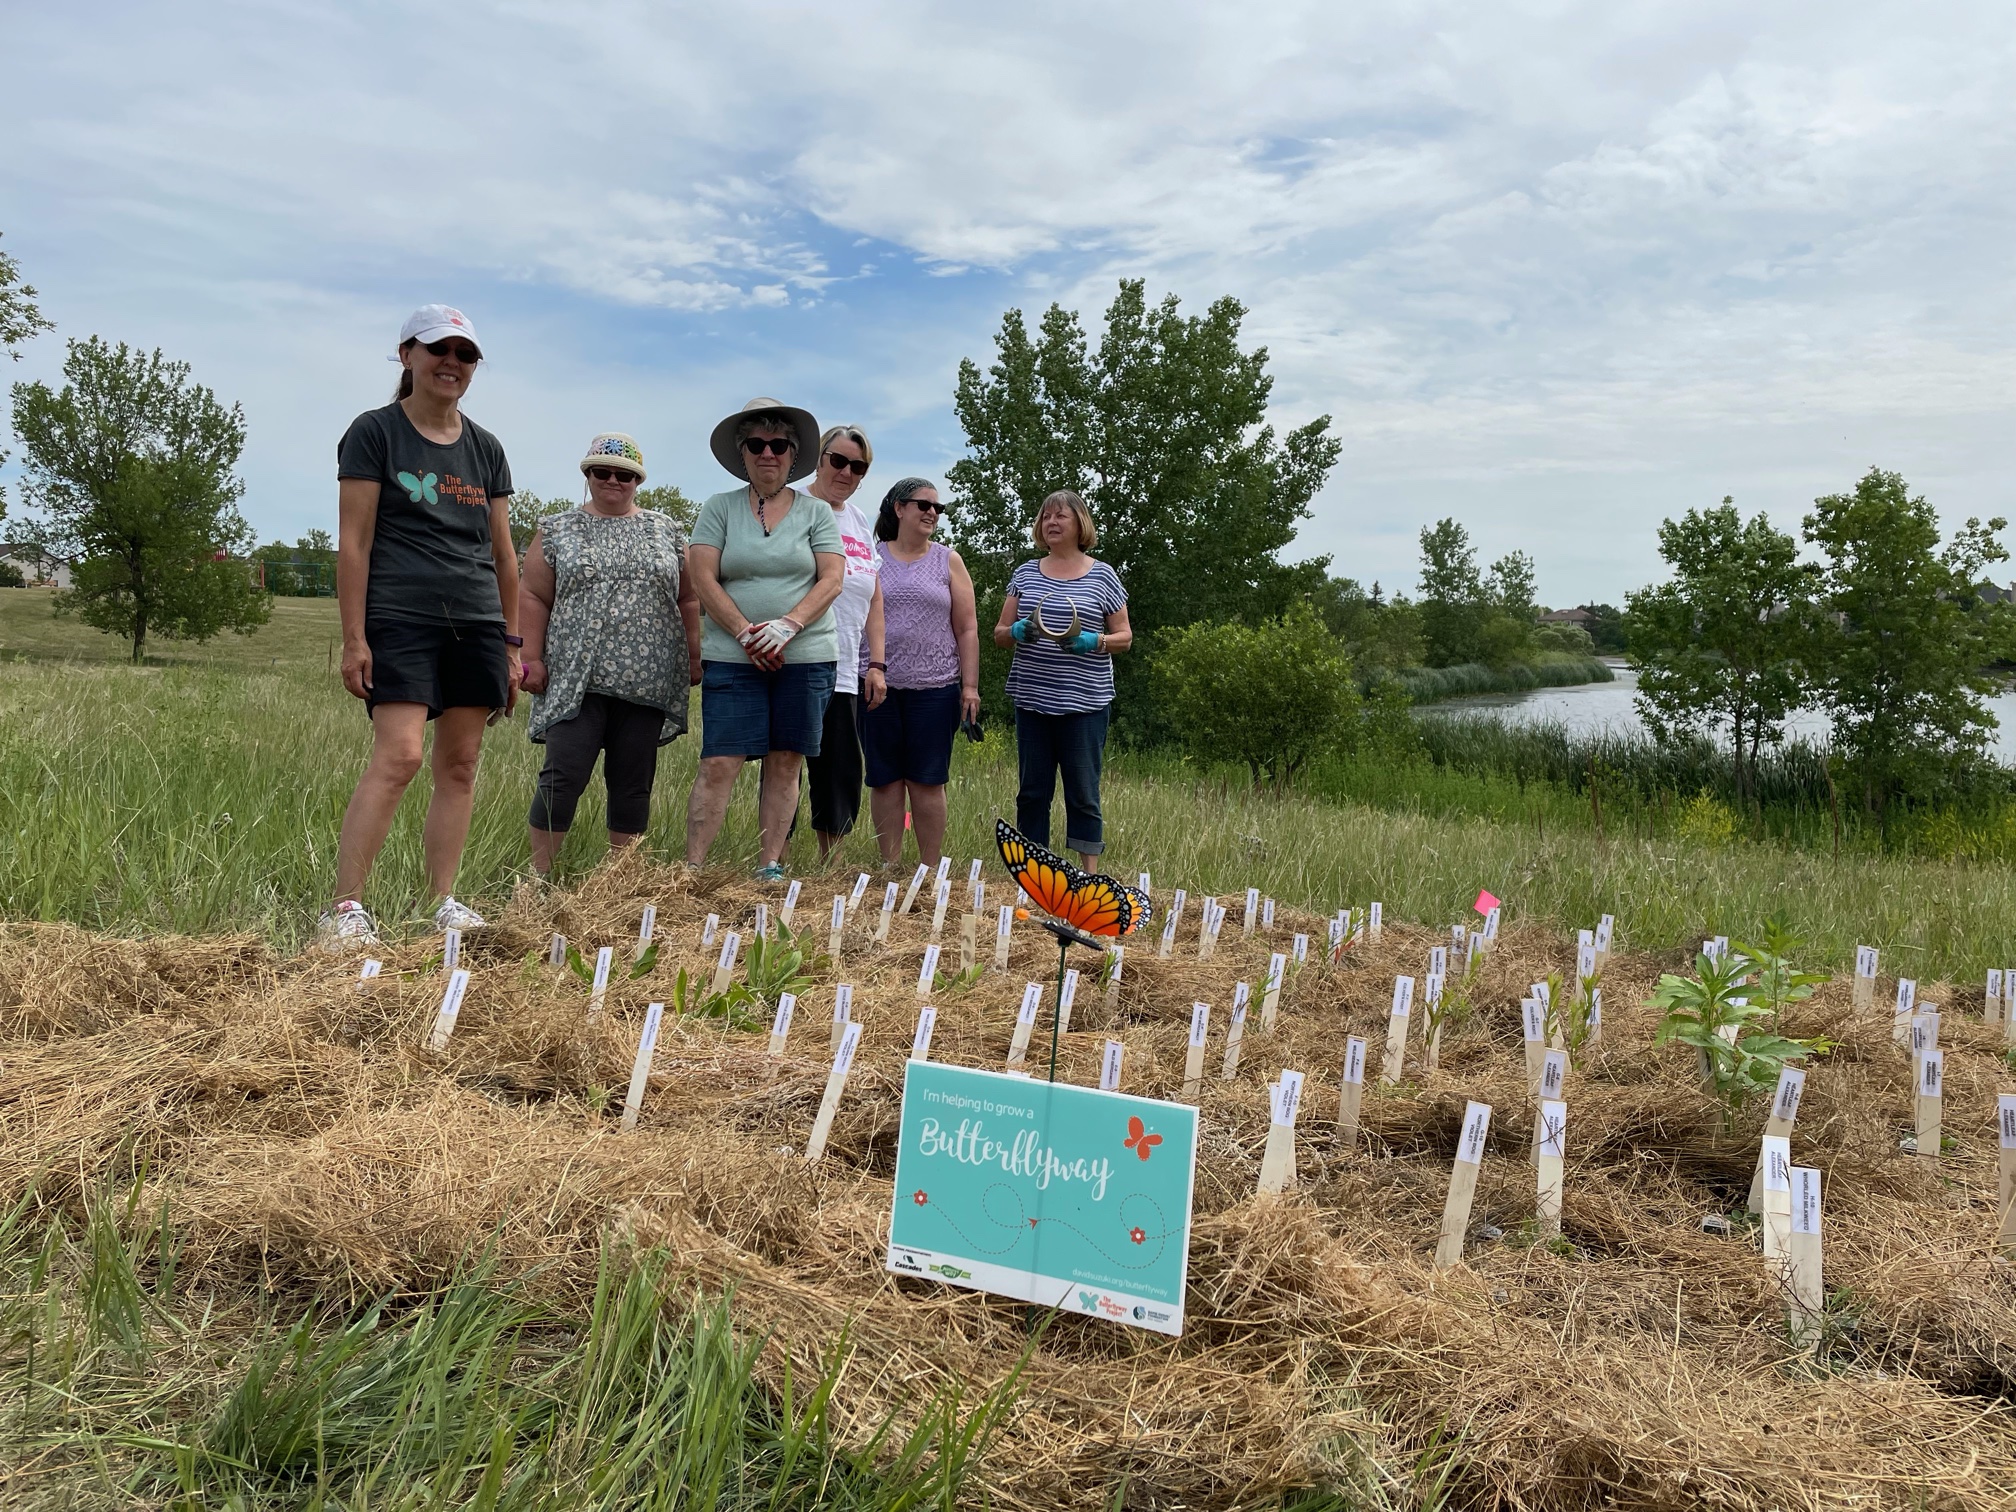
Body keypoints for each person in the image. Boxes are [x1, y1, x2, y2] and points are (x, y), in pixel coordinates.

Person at [321, 304, 520, 948]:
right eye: (439, 350)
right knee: (401, 755)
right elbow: (354, 540)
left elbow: (503, 553)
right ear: (407, 355)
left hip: (477, 621)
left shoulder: (485, 448)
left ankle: (443, 902)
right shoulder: (374, 433)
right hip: (401, 615)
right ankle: (345, 908)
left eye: (465, 355)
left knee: (460, 763)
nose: (452, 364)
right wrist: (355, 638)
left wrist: (512, 643)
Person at [518, 433, 701, 880]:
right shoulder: (558, 528)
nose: (613, 481)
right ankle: (540, 879)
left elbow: (689, 598)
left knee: (633, 783)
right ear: (588, 475)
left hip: (648, 679)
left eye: (624, 475)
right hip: (575, 677)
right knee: (563, 777)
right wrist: (533, 658)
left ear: (638, 479)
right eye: (602, 472)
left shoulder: (668, 531)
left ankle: (620, 883)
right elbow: (534, 595)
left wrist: (694, 656)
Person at [685, 397, 843, 880]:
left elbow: (831, 579)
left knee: (786, 760)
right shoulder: (719, 508)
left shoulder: (817, 513)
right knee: (720, 760)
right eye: (757, 444)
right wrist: (746, 633)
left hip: (805, 655)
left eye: (778, 444)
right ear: (744, 452)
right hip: (733, 657)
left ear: (793, 454)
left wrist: (787, 626)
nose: (767, 453)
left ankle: (770, 866)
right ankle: (692, 871)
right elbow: (702, 577)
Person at [991, 490, 1131, 870]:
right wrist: (1016, 631)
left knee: (1083, 793)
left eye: (1060, 516)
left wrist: (1095, 641)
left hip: (1085, 704)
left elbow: (1125, 637)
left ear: (1080, 523)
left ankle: (1088, 877)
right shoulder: (1025, 573)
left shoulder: (1103, 574)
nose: (1051, 522)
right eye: (1046, 517)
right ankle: (1034, 873)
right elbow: (999, 633)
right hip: (1033, 701)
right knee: (1032, 792)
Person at [861, 478, 979, 869]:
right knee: (885, 779)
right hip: (877, 684)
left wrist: (970, 686)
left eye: (937, 508)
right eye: (922, 505)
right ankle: (889, 866)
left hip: (936, 687)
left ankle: (930, 869)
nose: (931, 512)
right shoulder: (871, 557)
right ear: (898, 508)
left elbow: (967, 628)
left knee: (928, 780)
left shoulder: (949, 560)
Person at [800, 424, 886, 862]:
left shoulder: (857, 519)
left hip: (846, 663)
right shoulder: (795, 504)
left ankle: (827, 866)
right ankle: (769, 861)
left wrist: (877, 664)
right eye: (838, 460)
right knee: (786, 763)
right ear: (819, 457)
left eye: (858, 466)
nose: (847, 472)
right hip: (796, 658)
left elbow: (873, 594)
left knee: (839, 770)